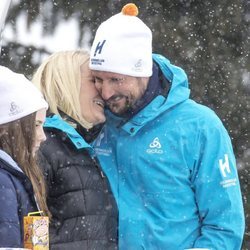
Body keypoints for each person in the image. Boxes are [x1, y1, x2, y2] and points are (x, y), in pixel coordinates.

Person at [89, 3, 245, 250]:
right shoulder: (93, 122)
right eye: (98, 79)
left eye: (116, 79)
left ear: (143, 71)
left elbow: (223, 228)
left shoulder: (200, 127)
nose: (106, 92)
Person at [32, 50, 118, 250]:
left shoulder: (89, 148)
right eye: (94, 80)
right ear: (65, 84)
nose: (104, 91)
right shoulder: (42, 144)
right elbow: (30, 216)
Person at [0, 66, 50, 247]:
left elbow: (37, 246)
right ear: (11, 128)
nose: (43, 136)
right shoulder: (3, 181)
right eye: (36, 125)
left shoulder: (22, 177)